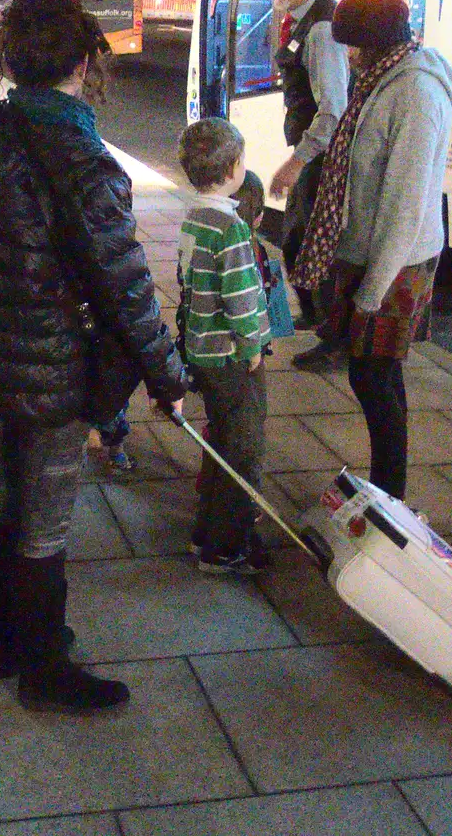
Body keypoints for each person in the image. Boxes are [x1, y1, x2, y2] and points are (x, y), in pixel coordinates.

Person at [0, 0, 189, 715]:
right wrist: (169, 372)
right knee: (44, 520)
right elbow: (126, 287)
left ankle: (6, 644)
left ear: (10, 61)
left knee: (0, 499)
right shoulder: (84, 159)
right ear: (83, 63)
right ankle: (46, 669)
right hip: (55, 369)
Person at [292, 0, 452, 501]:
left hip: (397, 260)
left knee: (376, 376)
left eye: (351, 45)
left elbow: (406, 207)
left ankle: (391, 493)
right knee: (375, 375)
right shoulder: (382, 80)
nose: (346, 55)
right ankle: (388, 488)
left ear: (374, 42)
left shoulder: (415, 95)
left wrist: (370, 292)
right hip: (374, 251)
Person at [177, 119, 271, 575]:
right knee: (243, 449)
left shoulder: (196, 215)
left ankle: (206, 533)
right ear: (233, 168)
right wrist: (252, 346)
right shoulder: (230, 227)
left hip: (202, 348)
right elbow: (239, 296)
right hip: (230, 355)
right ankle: (225, 547)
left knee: (221, 441)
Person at [264, 0, 349, 352]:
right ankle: (316, 315)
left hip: (320, 154)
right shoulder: (302, 21)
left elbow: (333, 109)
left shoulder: (320, 30)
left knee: (314, 239)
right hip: (311, 149)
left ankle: (334, 336)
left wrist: (296, 162)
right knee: (299, 236)